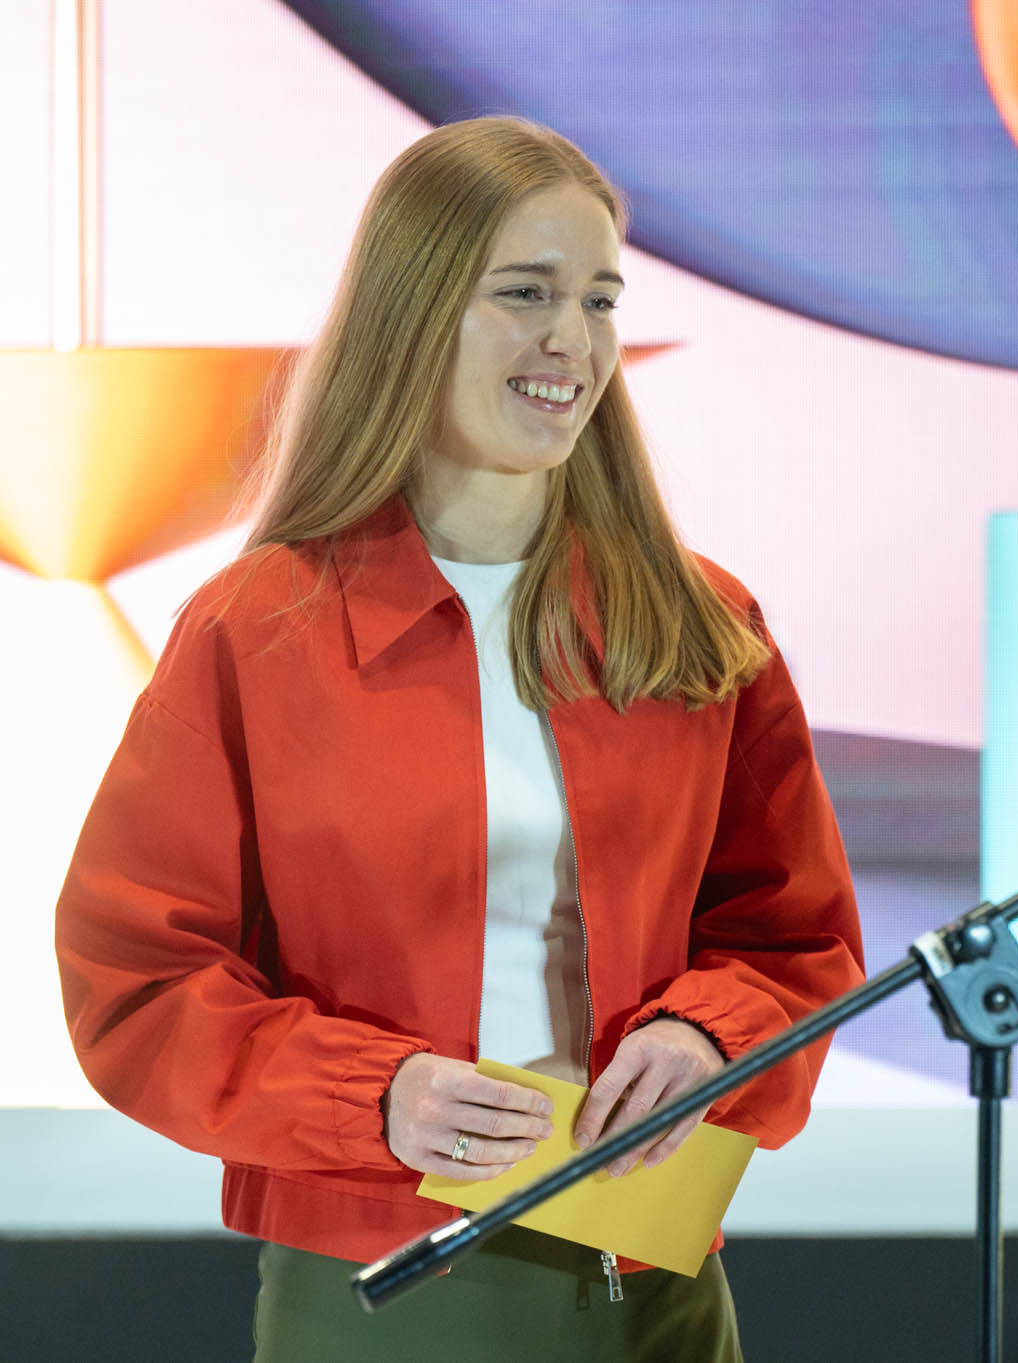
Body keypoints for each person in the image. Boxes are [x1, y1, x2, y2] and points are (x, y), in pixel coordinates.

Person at [54, 117, 864, 1361]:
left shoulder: (700, 623)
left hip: (655, 1276)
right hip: (378, 1287)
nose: (572, 339)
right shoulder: (253, 631)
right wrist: (373, 1098)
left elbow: (797, 939)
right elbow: (139, 980)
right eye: (525, 292)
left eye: (599, 299)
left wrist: (704, 1035)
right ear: (414, 311)